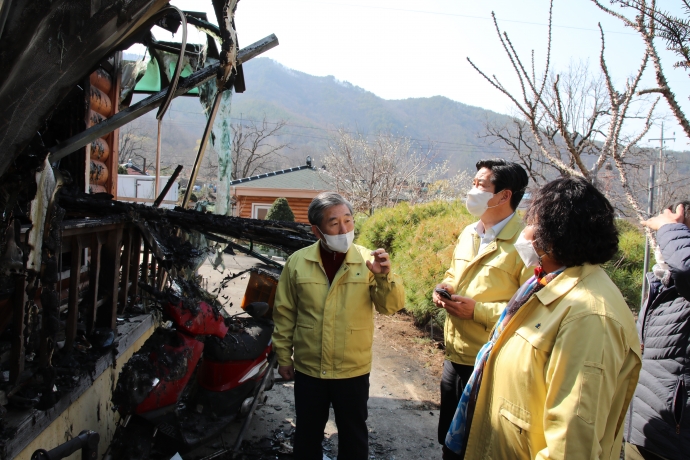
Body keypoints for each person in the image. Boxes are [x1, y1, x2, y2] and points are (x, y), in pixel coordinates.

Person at [444, 176, 642, 459]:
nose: (526, 232)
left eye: (531, 222)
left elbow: (571, 440)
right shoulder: (547, 284)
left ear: (553, 233)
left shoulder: (589, 315)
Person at [272, 192, 405, 460]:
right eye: (334, 223)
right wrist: (284, 357)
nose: (344, 229)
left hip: (352, 370)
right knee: (307, 434)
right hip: (310, 369)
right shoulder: (298, 262)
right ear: (317, 230)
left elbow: (390, 306)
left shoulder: (369, 260)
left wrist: (384, 277)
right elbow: (284, 313)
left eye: (348, 220)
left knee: (354, 435)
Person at [433, 158, 531, 447]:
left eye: (480, 184)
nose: (472, 190)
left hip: (490, 362)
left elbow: (530, 309)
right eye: (473, 183)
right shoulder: (468, 233)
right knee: (448, 442)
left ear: (504, 195)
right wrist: (444, 287)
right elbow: (454, 274)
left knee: (477, 445)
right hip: (455, 356)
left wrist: (477, 311)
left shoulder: (525, 244)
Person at [624, 201, 690, 460]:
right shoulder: (663, 284)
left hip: (675, 438)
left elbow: (686, 268)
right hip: (645, 428)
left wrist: (670, 228)